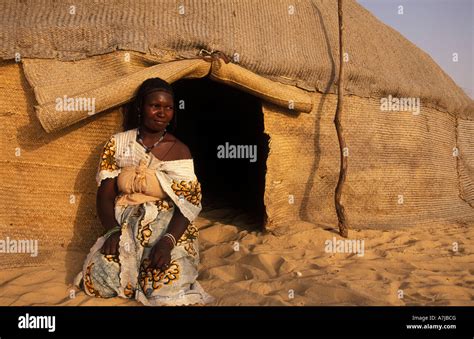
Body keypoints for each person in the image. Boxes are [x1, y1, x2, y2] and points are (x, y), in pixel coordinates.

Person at [75, 78, 214, 306]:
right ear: (141, 108)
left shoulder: (180, 150)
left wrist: (168, 242)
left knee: (166, 284)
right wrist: (112, 231)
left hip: (167, 225)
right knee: (100, 280)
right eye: (155, 106)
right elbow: (105, 194)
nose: (162, 113)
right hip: (125, 223)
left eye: (168, 107)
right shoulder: (118, 144)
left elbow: (188, 204)